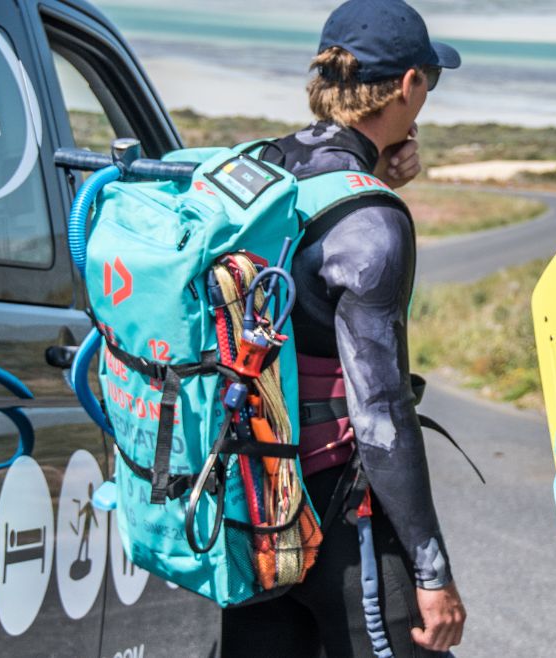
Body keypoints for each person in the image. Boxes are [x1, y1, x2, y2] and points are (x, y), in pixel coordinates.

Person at [221, 2, 465, 656]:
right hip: (337, 511)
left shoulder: (261, 166)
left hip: (249, 500)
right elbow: (380, 411)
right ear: (409, 85)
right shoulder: (372, 224)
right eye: (430, 84)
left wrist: (376, 171)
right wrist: (431, 570)